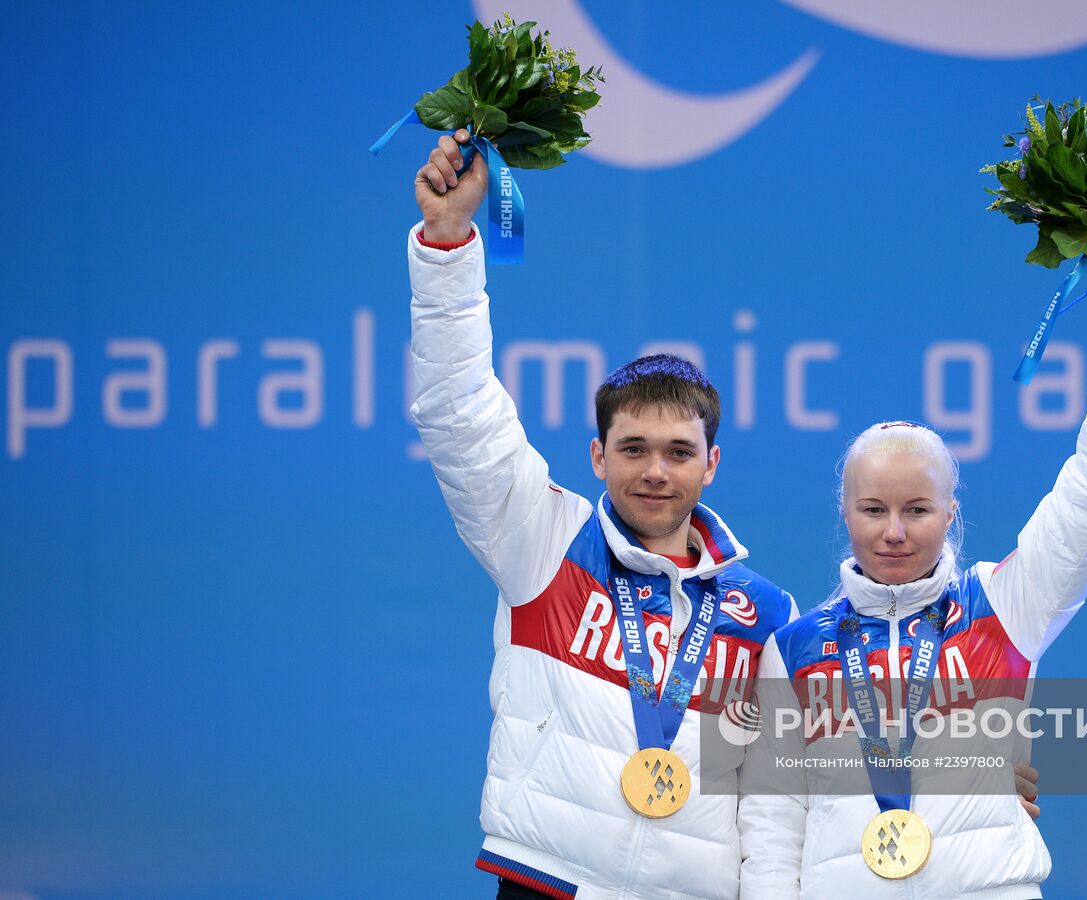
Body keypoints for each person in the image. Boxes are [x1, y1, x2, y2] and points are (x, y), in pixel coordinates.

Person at [408, 132, 1041, 899]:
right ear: (597, 457)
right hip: (550, 882)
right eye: (632, 448)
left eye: (678, 451)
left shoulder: (770, 617)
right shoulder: (544, 543)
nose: (653, 470)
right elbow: (457, 414)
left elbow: (793, 792)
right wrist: (447, 246)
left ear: (712, 464)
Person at [738, 220, 1087, 899]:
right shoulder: (792, 648)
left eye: (917, 510)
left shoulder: (1006, 604)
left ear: (951, 515)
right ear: (844, 513)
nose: (894, 533)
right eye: (874, 510)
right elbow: (770, 825)